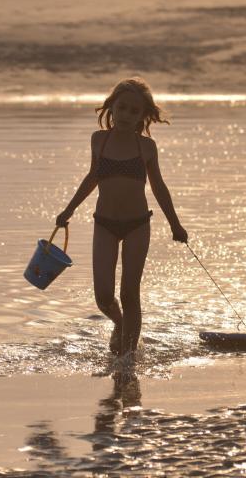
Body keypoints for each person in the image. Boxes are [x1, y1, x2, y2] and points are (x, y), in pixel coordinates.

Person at [56, 77, 188, 357]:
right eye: (122, 108)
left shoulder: (146, 148)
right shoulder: (99, 141)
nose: (126, 115)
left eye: (134, 111)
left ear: (143, 116)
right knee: (103, 296)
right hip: (104, 223)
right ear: (111, 107)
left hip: (137, 225)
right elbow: (92, 177)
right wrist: (69, 210)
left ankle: (128, 360)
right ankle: (120, 324)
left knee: (130, 293)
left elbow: (159, 188)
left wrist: (176, 224)